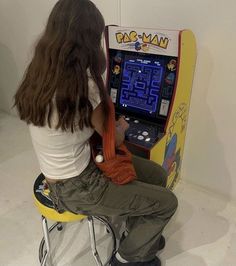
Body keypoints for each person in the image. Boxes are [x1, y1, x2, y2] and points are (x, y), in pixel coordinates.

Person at [14, 0, 178, 265]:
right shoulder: (84, 85)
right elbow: (114, 138)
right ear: (87, 40)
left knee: (157, 175)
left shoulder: (39, 74)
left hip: (62, 174)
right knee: (167, 203)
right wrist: (123, 126)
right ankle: (128, 257)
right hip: (80, 186)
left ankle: (137, 233)